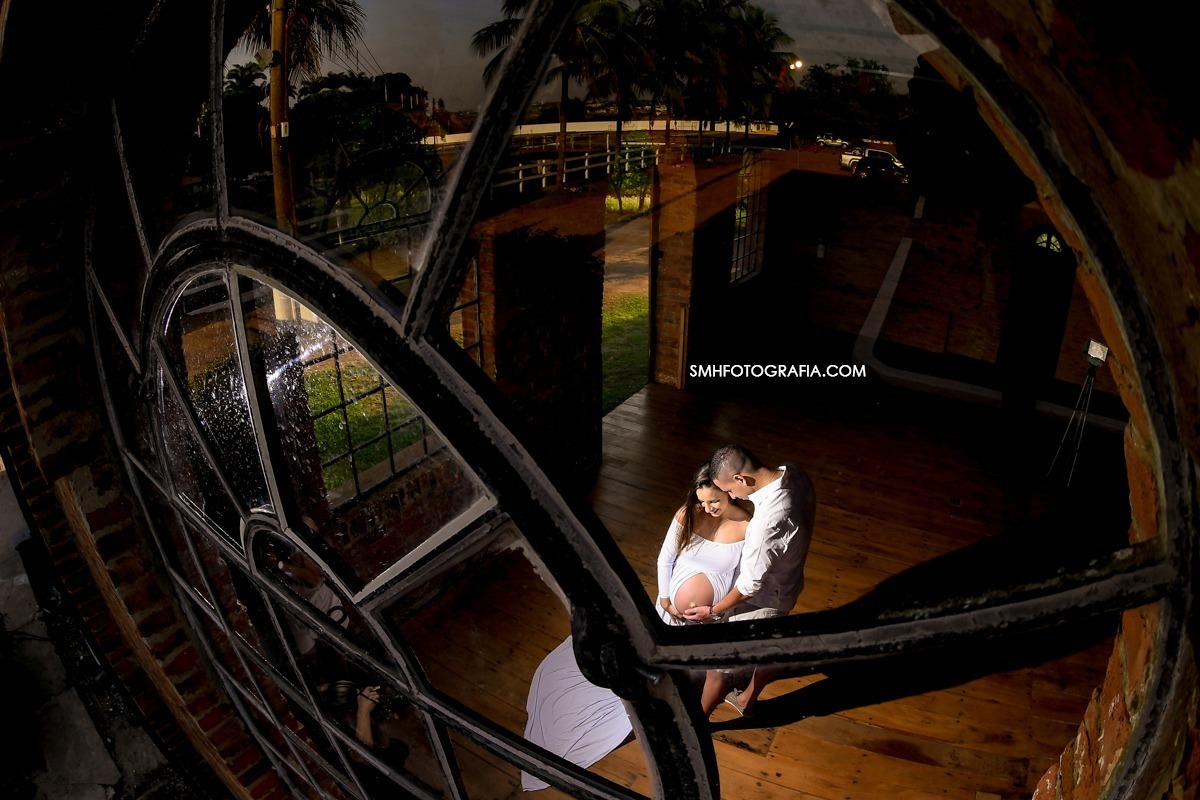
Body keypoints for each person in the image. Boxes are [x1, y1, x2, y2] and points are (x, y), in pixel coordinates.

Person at [683, 444, 816, 717]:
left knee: (718, 668)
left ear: (742, 479)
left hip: (763, 600)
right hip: (789, 582)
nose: (732, 496)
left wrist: (713, 612)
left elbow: (749, 586)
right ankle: (747, 698)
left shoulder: (766, 521)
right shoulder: (793, 471)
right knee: (768, 644)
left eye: (730, 490)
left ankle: (696, 725)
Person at [656, 463, 751, 624]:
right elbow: (666, 559)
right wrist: (665, 602)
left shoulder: (747, 525)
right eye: (702, 502)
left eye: (714, 501)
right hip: (671, 613)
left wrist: (716, 611)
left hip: (713, 618)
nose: (708, 509)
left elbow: (741, 576)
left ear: (728, 491)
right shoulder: (687, 514)